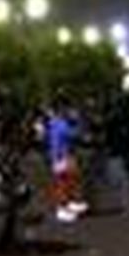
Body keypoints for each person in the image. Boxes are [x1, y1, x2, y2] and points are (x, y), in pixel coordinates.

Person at [44, 93, 87, 222]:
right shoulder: (59, 123)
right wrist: (79, 122)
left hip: (61, 156)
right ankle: (62, 208)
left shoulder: (57, 122)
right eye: (66, 107)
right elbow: (73, 134)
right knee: (64, 183)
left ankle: (68, 204)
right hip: (61, 157)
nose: (69, 110)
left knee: (68, 181)